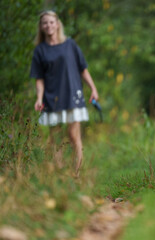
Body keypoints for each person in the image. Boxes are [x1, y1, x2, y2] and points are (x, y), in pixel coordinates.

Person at [30, 10, 99, 177]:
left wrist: (93, 88)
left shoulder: (70, 45)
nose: (49, 25)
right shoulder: (40, 51)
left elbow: (83, 69)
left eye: (51, 22)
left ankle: (77, 173)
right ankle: (59, 173)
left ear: (57, 24)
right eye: (45, 22)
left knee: (74, 135)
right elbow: (39, 78)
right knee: (55, 137)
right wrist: (39, 98)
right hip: (52, 96)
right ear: (41, 27)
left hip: (72, 93)